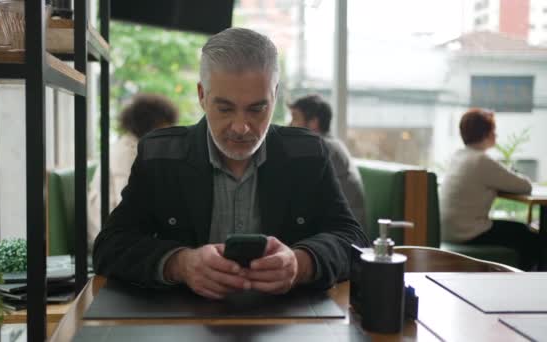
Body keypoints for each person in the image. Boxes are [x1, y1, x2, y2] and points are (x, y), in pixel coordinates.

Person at [93, 27, 369, 299]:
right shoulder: (159, 155)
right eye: (224, 108)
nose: (241, 127)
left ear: (275, 96)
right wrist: (180, 264)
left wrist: (301, 263)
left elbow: (352, 237)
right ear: (202, 96)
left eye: (257, 108)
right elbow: (110, 246)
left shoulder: (308, 153)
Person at [439, 108, 539, 270]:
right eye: (494, 130)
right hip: (468, 232)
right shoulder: (481, 160)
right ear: (486, 133)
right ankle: (530, 281)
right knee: (529, 236)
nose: (496, 135)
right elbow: (525, 186)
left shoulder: (459, 156)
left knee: (520, 231)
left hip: (448, 231)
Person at [87, 93, 179, 246]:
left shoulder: (135, 146)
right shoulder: (127, 153)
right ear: (148, 126)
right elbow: (126, 204)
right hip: (109, 238)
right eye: (164, 127)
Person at [288, 94, 367, 228]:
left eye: (295, 118)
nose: (289, 124)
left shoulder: (323, 148)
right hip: (331, 229)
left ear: (313, 123)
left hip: (344, 238)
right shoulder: (329, 144)